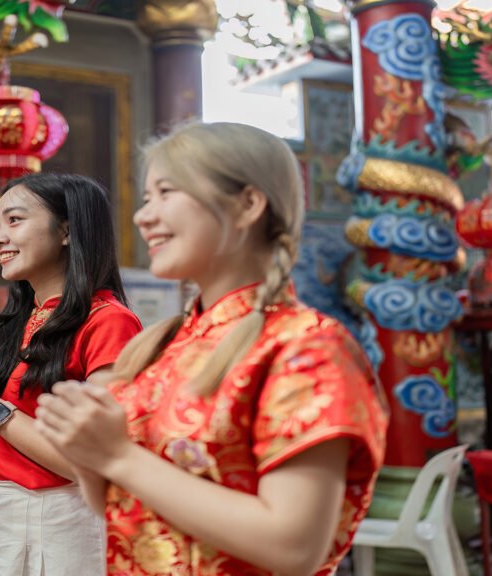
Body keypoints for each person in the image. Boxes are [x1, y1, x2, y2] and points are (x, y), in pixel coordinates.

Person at [34, 122, 389, 576]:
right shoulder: (160, 344)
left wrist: (117, 455)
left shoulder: (306, 346)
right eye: (146, 198)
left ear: (247, 204)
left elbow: (294, 547)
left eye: (166, 192)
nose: (144, 216)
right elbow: (124, 507)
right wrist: (86, 449)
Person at [0, 173, 143, 576]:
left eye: (14, 220)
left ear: (66, 230)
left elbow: (94, 462)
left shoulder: (109, 322)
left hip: (56, 519)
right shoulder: (18, 320)